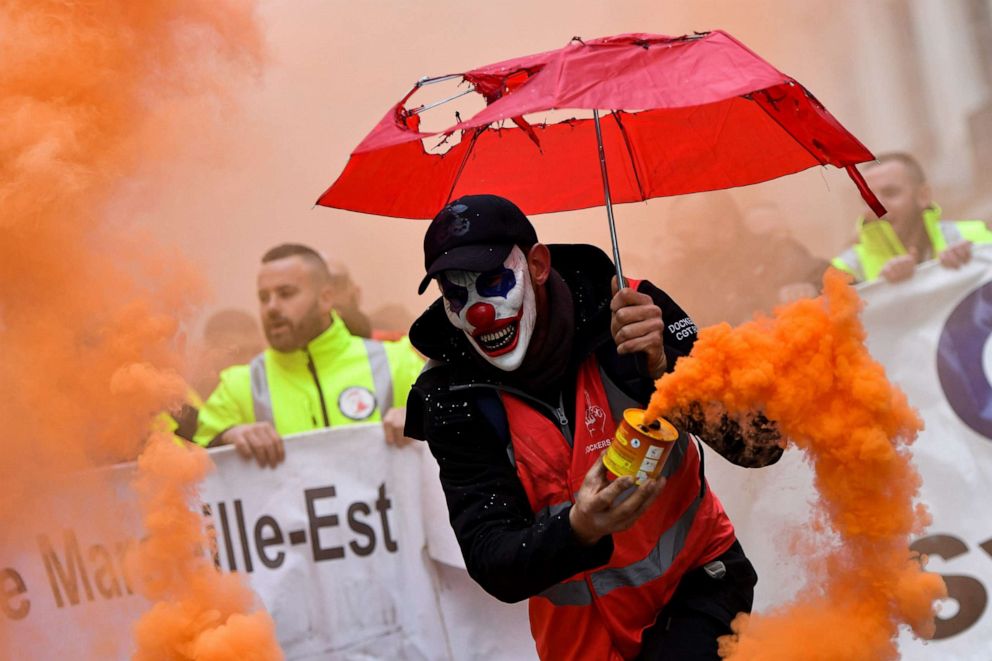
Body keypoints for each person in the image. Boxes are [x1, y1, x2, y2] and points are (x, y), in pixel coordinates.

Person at [405, 195, 782, 660]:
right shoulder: (451, 392)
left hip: (697, 590)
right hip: (578, 644)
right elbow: (492, 559)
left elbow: (761, 444)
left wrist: (668, 372)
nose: (478, 312)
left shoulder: (631, 310)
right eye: (456, 294)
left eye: (495, 282)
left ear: (538, 265)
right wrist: (577, 529)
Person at [194, 244, 424, 466]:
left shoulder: (397, 363)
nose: (272, 307)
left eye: (286, 293)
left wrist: (425, 422)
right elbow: (193, 465)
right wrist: (226, 438)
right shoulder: (239, 386)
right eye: (264, 297)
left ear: (325, 298)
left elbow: (455, 427)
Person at [832, 152, 992, 283]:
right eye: (868, 198)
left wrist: (974, 262)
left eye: (890, 193)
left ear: (923, 195)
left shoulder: (974, 236)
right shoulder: (844, 269)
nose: (877, 206)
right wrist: (881, 291)